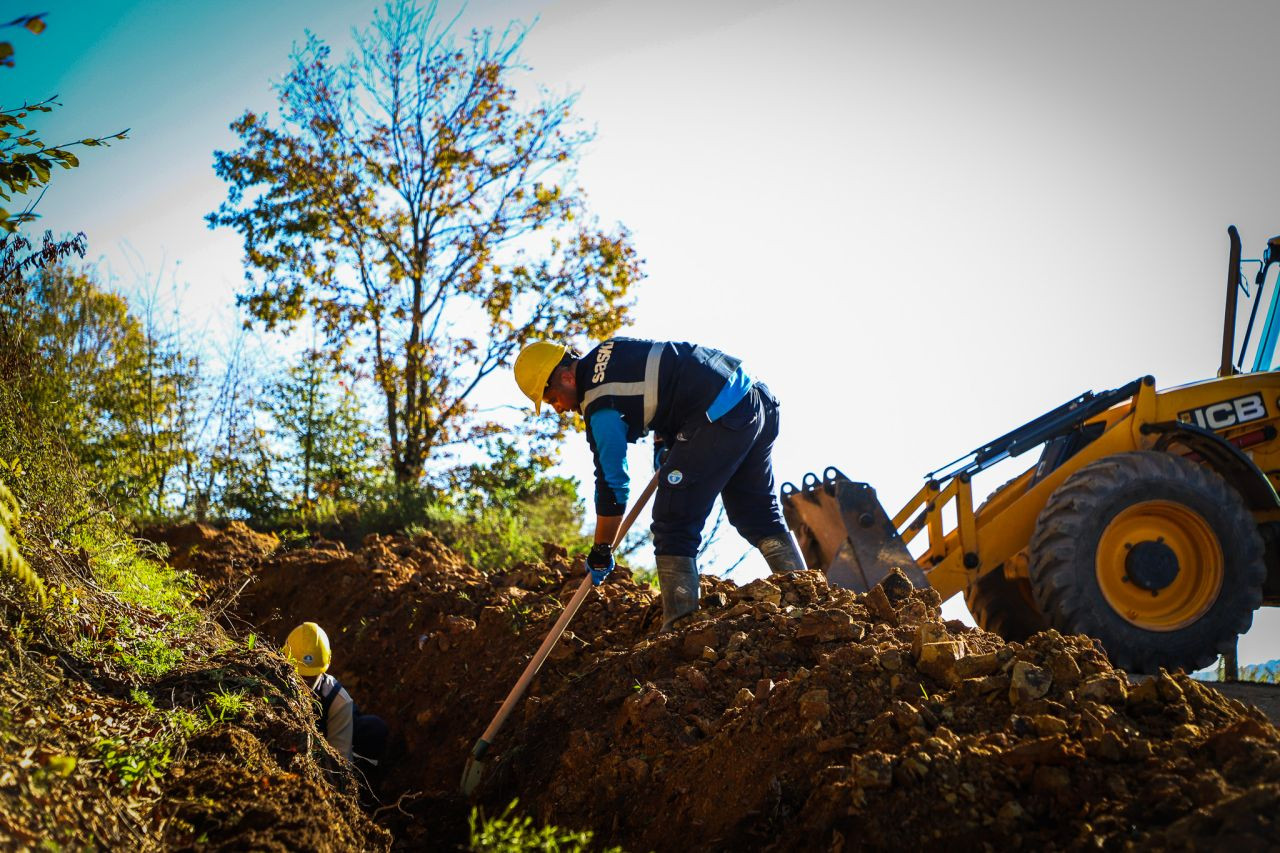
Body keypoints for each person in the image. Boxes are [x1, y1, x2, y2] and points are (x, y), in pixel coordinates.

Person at [513, 337, 806, 631]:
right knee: (756, 513)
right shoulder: (612, 351)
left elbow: (613, 484)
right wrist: (664, 447)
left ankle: (679, 628)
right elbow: (668, 384)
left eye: (552, 399)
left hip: (720, 412)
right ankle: (808, 599)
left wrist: (602, 549)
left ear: (565, 377)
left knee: (672, 521)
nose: (558, 409)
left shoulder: (599, 402)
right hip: (755, 400)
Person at [283, 622, 389, 776]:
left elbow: (339, 762)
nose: (304, 684)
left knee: (374, 729)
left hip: (336, 734)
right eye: (300, 676)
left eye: (311, 678)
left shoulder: (338, 700)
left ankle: (366, 779)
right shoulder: (274, 680)